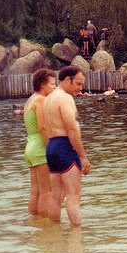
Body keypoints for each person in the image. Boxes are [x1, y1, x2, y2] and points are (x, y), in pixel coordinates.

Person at [42, 66, 90, 226]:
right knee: (74, 196)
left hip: (51, 147)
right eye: (78, 84)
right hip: (64, 146)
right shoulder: (65, 98)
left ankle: (54, 235)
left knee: (56, 195)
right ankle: (77, 239)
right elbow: (72, 129)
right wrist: (83, 157)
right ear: (67, 80)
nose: (80, 89)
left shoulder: (49, 98)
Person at [23, 68, 57, 216]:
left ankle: (33, 222)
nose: (55, 88)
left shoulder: (30, 99)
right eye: (52, 84)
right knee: (47, 191)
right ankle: (45, 228)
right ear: (42, 85)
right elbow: (43, 127)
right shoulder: (41, 100)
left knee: (35, 191)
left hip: (30, 147)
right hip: (40, 148)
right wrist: (52, 148)